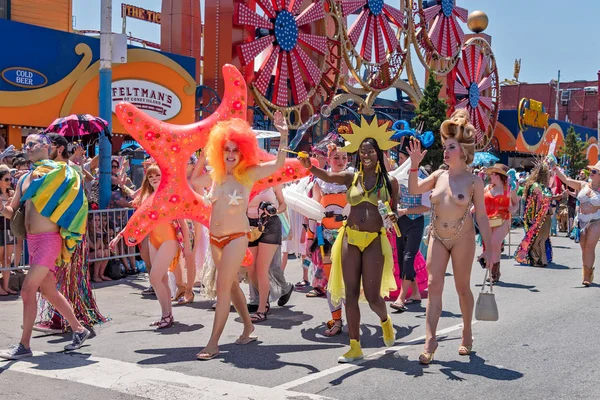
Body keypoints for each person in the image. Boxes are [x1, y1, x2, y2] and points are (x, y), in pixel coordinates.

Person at [298, 119, 399, 363]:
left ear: (379, 153)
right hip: (349, 238)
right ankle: (355, 346)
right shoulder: (350, 178)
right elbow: (327, 176)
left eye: (371, 150)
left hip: (374, 241)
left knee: (374, 297)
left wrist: (394, 215)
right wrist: (309, 167)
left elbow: (392, 213)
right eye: (362, 151)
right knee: (350, 294)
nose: (366, 155)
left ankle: (385, 322)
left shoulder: (390, 182)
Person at [193, 111, 289, 360]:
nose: (232, 154)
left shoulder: (248, 174)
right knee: (232, 285)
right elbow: (194, 181)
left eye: (236, 150)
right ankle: (248, 327)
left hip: (236, 237)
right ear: (220, 151)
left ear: (243, 152)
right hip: (216, 239)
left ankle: (213, 343)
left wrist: (284, 134)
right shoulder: (216, 175)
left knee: (223, 287)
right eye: (227, 149)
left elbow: (278, 165)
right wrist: (204, 151)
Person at [405, 110, 493, 364]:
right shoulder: (438, 176)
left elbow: (483, 218)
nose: (445, 151)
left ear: (463, 151)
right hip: (437, 236)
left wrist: (489, 249)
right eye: (445, 146)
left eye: (451, 146)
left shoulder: (474, 181)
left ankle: (467, 331)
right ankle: (430, 340)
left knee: (462, 288)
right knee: (434, 287)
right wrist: (413, 165)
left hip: (463, 237)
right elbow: (413, 189)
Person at [0, 133, 91, 360]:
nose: (28, 147)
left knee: (28, 289)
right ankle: (79, 330)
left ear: (47, 146)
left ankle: (24, 345)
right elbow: (12, 211)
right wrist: (2, 208)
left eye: (33, 143)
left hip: (50, 239)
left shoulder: (61, 172)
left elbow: (76, 198)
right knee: (49, 291)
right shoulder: (24, 179)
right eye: (26, 144)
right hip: (32, 241)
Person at [110, 164, 190, 329]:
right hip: (154, 240)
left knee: (154, 278)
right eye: (151, 176)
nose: (154, 179)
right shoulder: (147, 198)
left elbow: (182, 221)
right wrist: (119, 236)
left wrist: (187, 246)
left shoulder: (170, 195)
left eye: (157, 176)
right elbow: (137, 221)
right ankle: (166, 315)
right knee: (161, 279)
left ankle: (167, 315)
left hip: (169, 239)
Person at [310, 143, 349, 336]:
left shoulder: (353, 179)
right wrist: (312, 237)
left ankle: (352, 319)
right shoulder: (320, 181)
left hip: (349, 236)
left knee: (348, 280)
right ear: (328, 159)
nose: (341, 162)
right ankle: (336, 320)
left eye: (344, 157)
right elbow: (314, 211)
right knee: (331, 280)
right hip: (324, 238)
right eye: (336, 158)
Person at [390, 139, 430, 312]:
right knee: (401, 257)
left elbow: (426, 207)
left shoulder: (424, 178)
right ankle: (415, 293)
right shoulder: (397, 176)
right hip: (401, 220)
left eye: (401, 157)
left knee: (408, 257)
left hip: (415, 221)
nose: (399, 161)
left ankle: (401, 297)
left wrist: (404, 210)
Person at [553, 162, 600, 286]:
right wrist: (556, 169)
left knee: (590, 247)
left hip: (596, 221)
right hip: (580, 221)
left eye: (594, 172)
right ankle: (587, 270)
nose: (591, 173)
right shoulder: (583, 184)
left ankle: (587, 276)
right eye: (591, 171)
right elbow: (566, 180)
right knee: (584, 248)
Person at [514, 161, 555, 267]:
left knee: (543, 237)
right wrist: (532, 218)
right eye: (548, 173)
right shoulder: (536, 186)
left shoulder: (543, 186)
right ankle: (537, 259)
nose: (549, 175)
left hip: (546, 215)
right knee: (538, 238)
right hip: (538, 217)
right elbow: (533, 204)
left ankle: (542, 258)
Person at [483, 164, 518, 283]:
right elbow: (480, 202)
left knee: (494, 242)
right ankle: (495, 271)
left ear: (498, 176)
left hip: (503, 220)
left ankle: (493, 273)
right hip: (488, 220)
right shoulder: (487, 188)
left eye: (492, 174)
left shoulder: (508, 189)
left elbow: (516, 203)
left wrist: (512, 209)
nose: (490, 176)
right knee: (492, 246)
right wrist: (474, 208)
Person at [0, 165, 17, 295]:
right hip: (0, 227)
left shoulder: (11, 193)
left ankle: (5, 286)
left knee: (7, 258)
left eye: (10, 179)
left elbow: (12, 212)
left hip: (9, 227)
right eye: (6, 179)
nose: (9, 182)